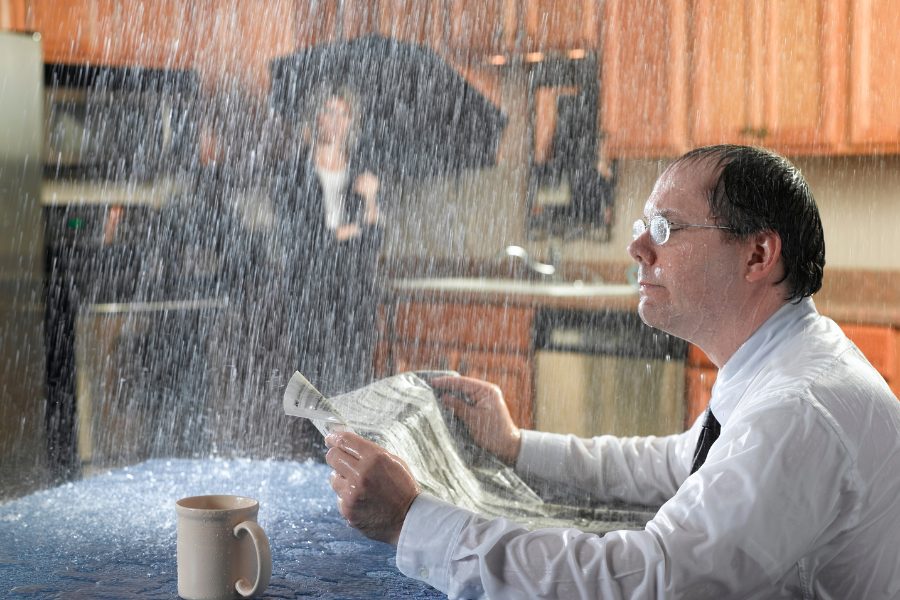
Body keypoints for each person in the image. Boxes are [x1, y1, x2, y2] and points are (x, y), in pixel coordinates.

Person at [324, 145, 900, 598]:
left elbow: (647, 582)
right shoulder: (782, 360)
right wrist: (517, 446)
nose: (638, 248)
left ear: (757, 255)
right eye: (643, 224)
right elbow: (677, 465)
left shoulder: (798, 411)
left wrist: (411, 521)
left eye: (667, 229)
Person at [274, 86, 383, 396]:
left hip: (354, 291)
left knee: (353, 381)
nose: (336, 120)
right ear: (315, 118)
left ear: (351, 122)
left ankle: (345, 443)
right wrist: (346, 233)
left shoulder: (361, 174)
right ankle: (318, 444)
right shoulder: (293, 173)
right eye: (329, 111)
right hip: (310, 292)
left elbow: (374, 240)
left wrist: (372, 199)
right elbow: (298, 238)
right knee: (315, 382)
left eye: (343, 114)